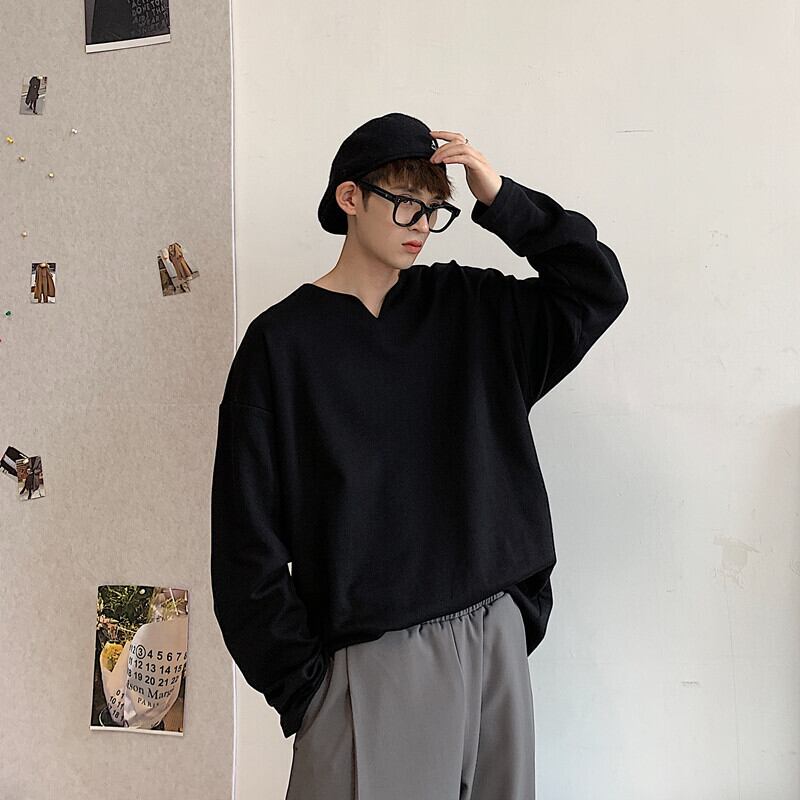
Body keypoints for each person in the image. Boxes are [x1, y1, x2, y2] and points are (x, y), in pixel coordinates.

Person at [210, 112, 629, 799]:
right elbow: (244, 541)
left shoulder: (471, 307)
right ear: (350, 197)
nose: (422, 224)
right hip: (370, 663)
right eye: (406, 202)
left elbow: (597, 287)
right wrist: (306, 689)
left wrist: (502, 198)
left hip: (495, 639)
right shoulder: (281, 346)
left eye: (435, 209)